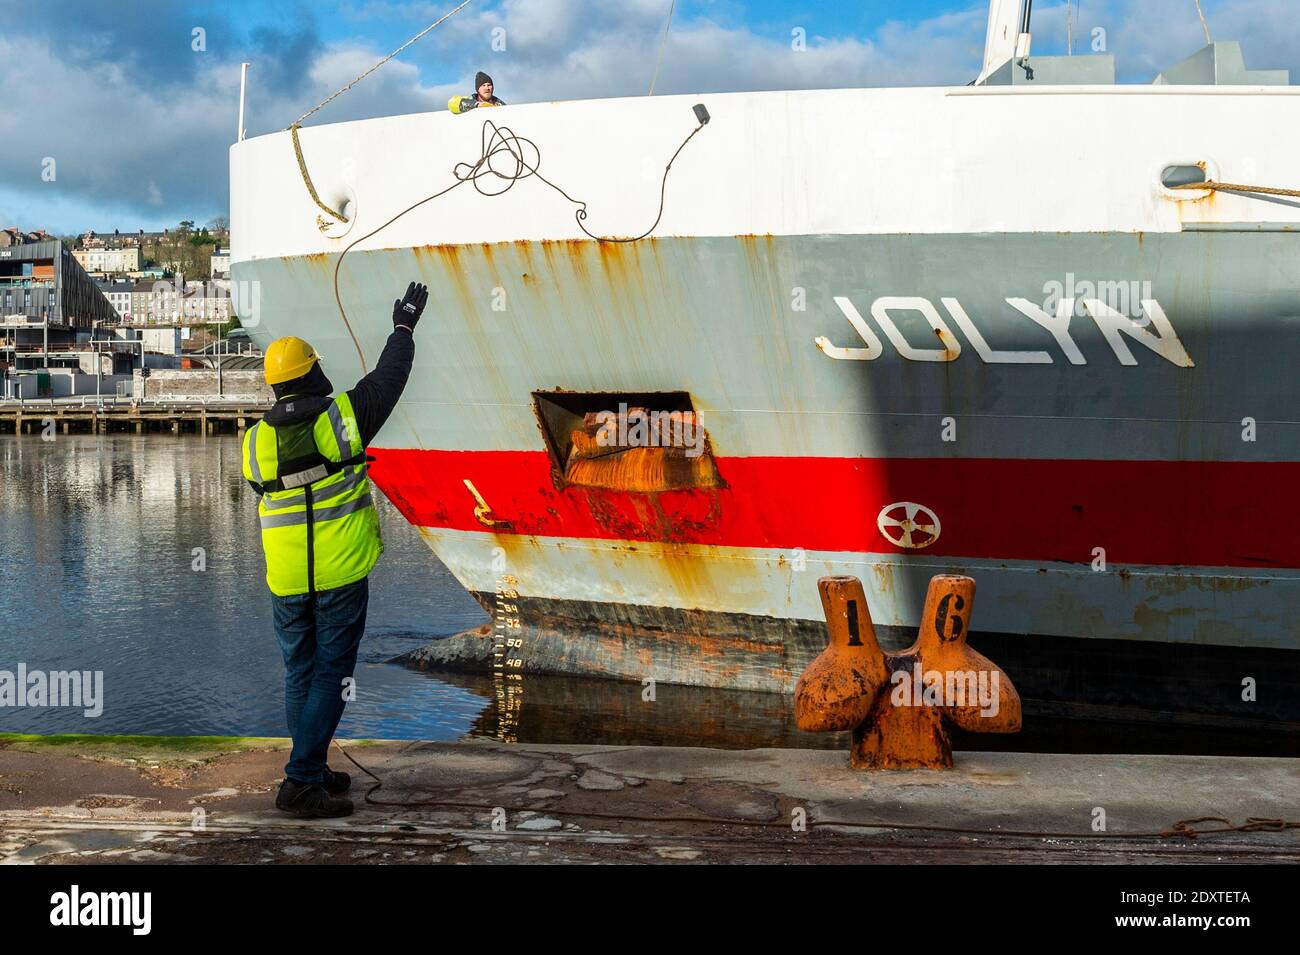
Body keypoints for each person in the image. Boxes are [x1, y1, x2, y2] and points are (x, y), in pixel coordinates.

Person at [241, 281, 429, 818]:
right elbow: (390, 379)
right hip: (340, 566)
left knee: (300, 671)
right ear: (313, 373)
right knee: (330, 673)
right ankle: (300, 782)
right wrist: (404, 326)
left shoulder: (253, 440)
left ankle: (313, 766)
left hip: (286, 578)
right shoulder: (342, 418)